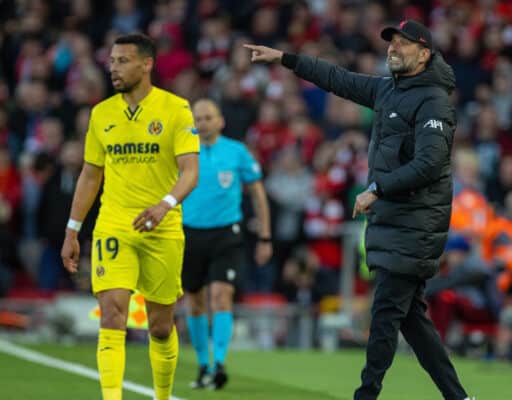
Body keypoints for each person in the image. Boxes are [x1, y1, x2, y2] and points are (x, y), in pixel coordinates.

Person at [245, 19, 474, 400]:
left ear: (424, 54)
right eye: (391, 43)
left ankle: (366, 395)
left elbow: (431, 163)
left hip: (415, 224)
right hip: (394, 223)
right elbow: (337, 78)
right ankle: (458, 397)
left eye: (403, 43)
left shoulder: (433, 99)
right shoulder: (387, 90)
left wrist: (377, 188)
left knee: (384, 316)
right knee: (411, 321)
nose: (393, 48)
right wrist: (286, 59)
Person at [60, 33, 199, 400]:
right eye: (111, 61)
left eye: (122, 61)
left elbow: (190, 172)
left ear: (146, 64)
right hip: (114, 224)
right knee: (112, 314)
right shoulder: (101, 114)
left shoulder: (177, 110)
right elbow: (91, 175)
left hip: (163, 226)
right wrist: (73, 230)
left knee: (159, 326)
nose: (113, 68)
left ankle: (162, 395)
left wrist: (165, 204)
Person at [182, 99, 272, 390]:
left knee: (221, 295)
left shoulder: (236, 152)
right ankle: (202, 364)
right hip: (189, 234)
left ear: (220, 121)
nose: (203, 122)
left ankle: (219, 363)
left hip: (226, 234)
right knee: (194, 301)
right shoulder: (183, 151)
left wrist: (265, 237)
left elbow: (258, 193)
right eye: (198, 118)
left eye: (208, 117)